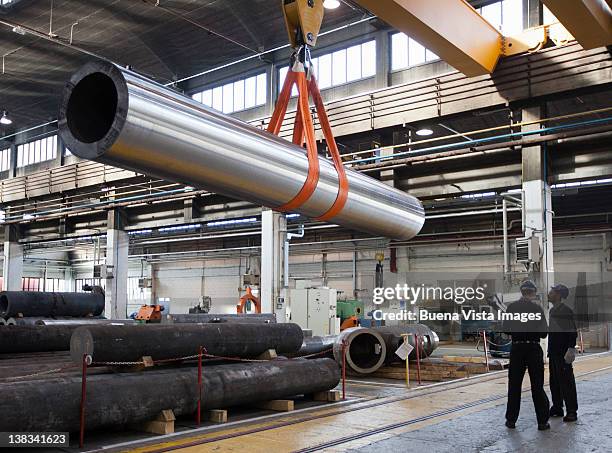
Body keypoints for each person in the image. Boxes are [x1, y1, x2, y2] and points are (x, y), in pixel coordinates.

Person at [503, 280, 550, 430]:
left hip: (517, 349)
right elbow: (543, 334)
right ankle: (542, 422)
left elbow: (506, 330)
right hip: (533, 349)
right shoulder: (537, 309)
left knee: (514, 385)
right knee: (537, 386)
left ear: (521, 291)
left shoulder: (511, 308)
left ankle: (511, 420)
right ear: (533, 292)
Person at [548, 284, 578, 422]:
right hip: (554, 352)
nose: (549, 294)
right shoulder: (552, 311)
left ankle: (572, 410)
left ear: (558, 295)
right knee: (554, 381)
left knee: (567, 382)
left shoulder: (566, 311)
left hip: (563, 353)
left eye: (552, 292)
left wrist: (570, 354)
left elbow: (572, 333)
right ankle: (558, 407)